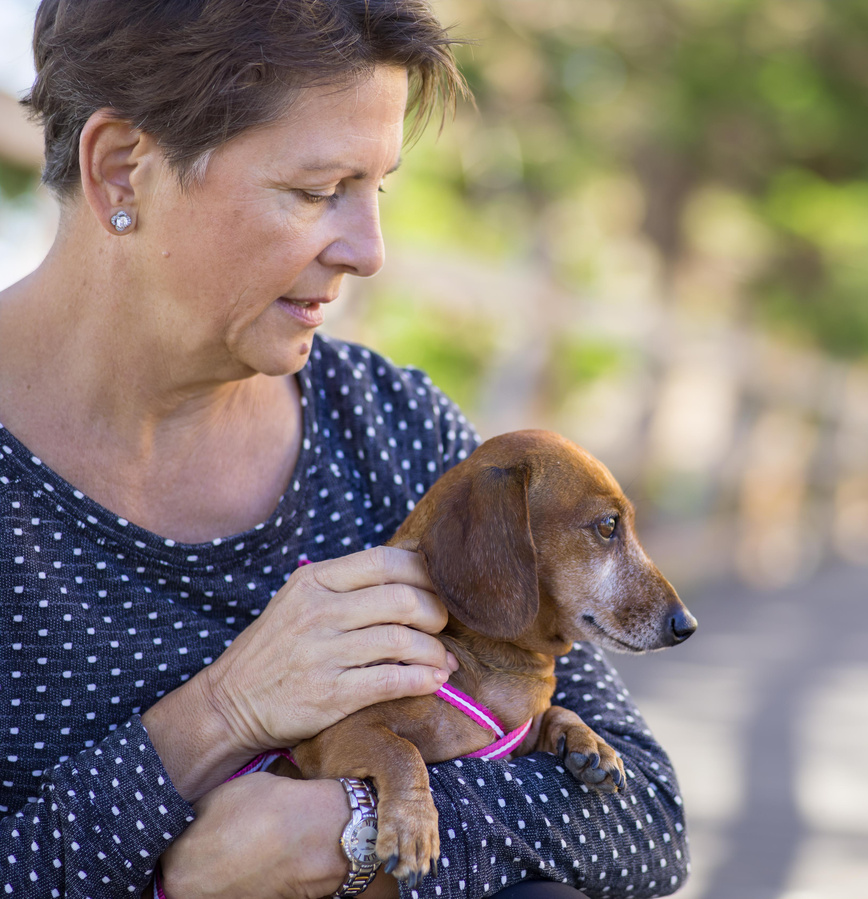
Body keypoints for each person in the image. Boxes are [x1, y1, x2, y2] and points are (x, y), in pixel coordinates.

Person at [0, 2, 690, 897]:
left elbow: (646, 823)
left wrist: (350, 828)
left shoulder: (392, 427)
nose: (370, 252)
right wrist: (221, 715)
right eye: (319, 190)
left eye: (379, 189)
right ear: (122, 171)